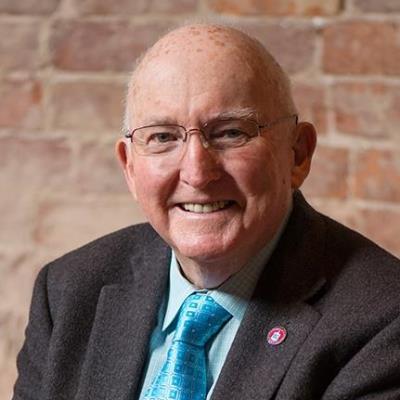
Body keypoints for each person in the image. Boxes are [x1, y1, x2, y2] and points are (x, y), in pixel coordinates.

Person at [13, 23, 400, 400]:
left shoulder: (383, 319)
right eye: (163, 137)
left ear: (297, 154)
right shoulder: (69, 291)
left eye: (231, 132)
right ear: (129, 166)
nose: (197, 173)